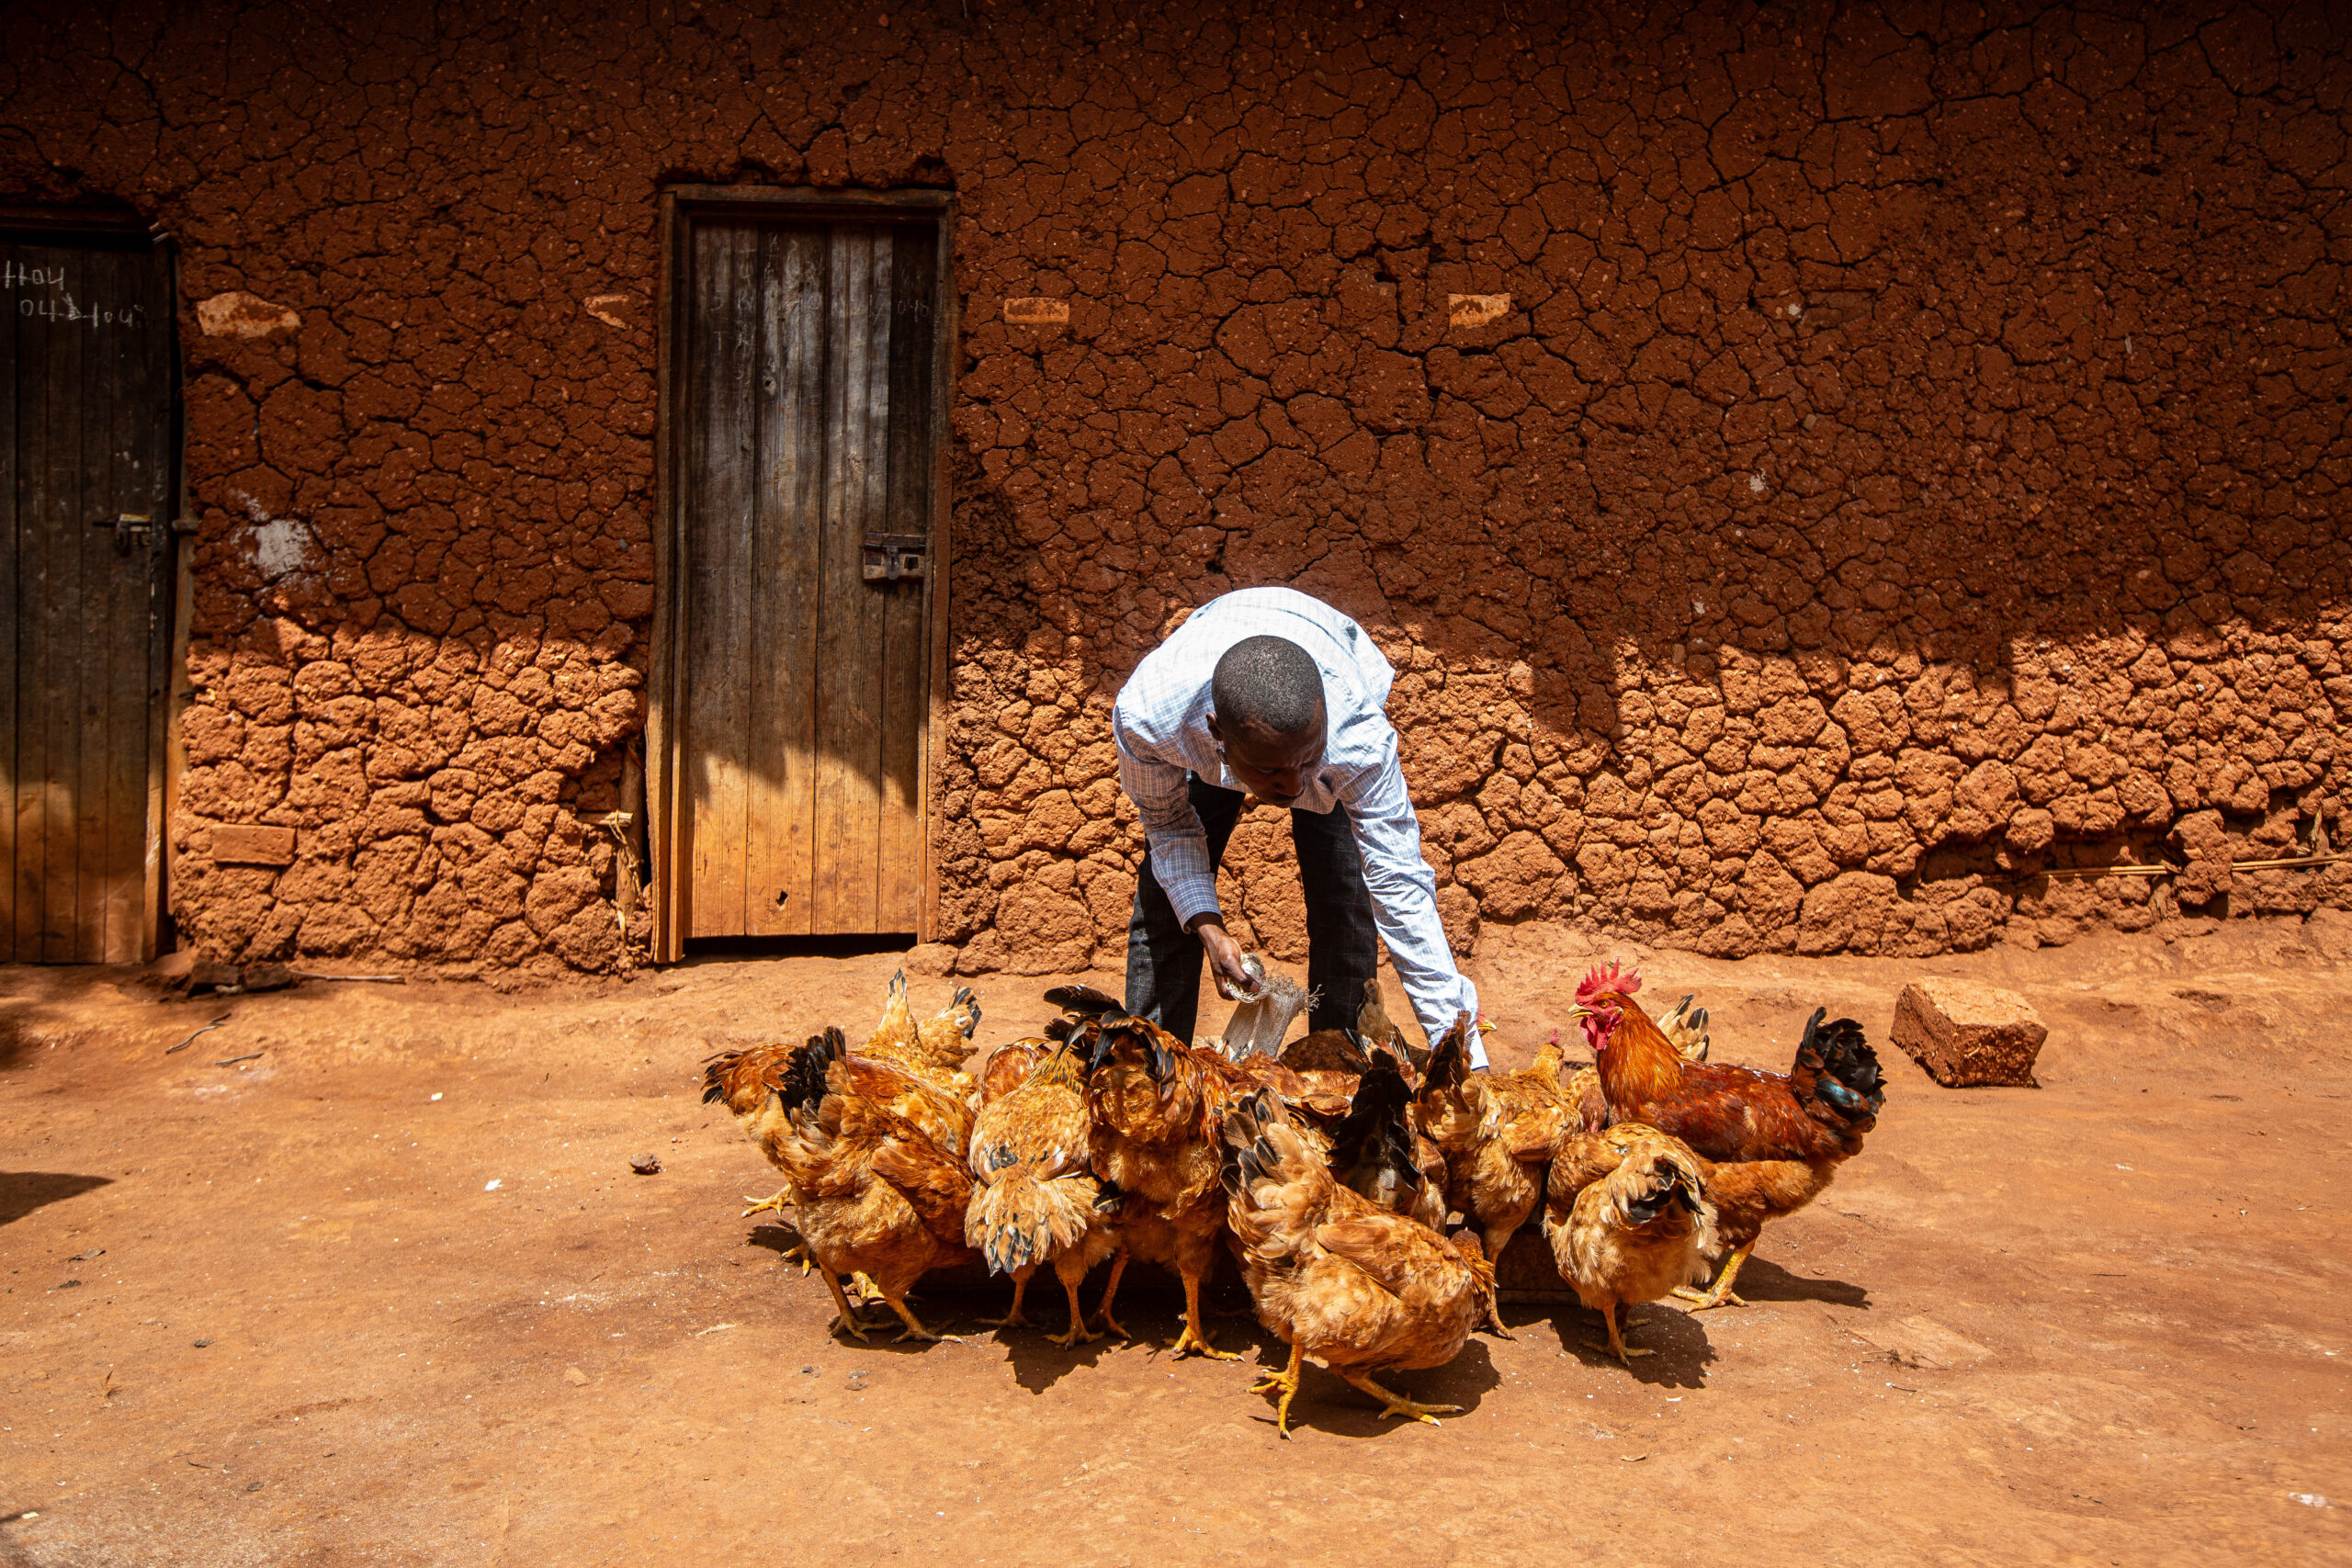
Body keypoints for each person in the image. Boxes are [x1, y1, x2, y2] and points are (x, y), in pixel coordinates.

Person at [1112, 586, 1485, 1066]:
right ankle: (1152, 1073)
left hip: (1329, 655)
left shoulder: (1356, 739)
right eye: (1272, 773)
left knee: (1347, 901)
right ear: (1218, 734)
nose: (1292, 787)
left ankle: (1336, 1074)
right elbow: (1168, 826)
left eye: (1305, 762)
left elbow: (1401, 886)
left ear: (1324, 718)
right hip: (1214, 714)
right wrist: (1208, 926)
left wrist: (1461, 1052)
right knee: (1166, 905)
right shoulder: (1153, 721)